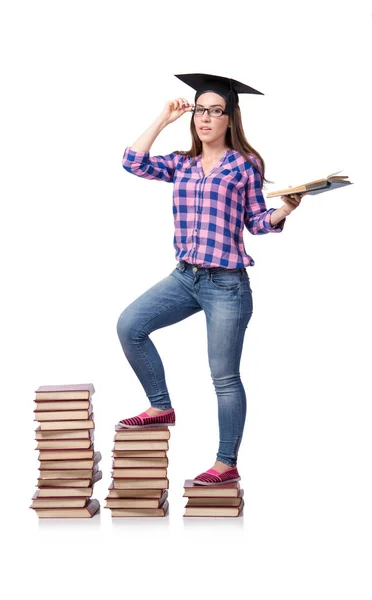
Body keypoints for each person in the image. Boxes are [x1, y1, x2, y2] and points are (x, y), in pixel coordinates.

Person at [116, 73, 306, 486]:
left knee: (223, 377)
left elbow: (257, 222)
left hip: (226, 285)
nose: (205, 118)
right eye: (200, 109)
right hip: (184, 278)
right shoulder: (181, 163)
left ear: (230, 119)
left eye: (215, 111)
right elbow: (132, 161)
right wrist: (163, 118)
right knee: (130, 326)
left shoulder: (245, 165)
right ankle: (160, 406)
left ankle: (225, 463)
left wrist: (284, 211)